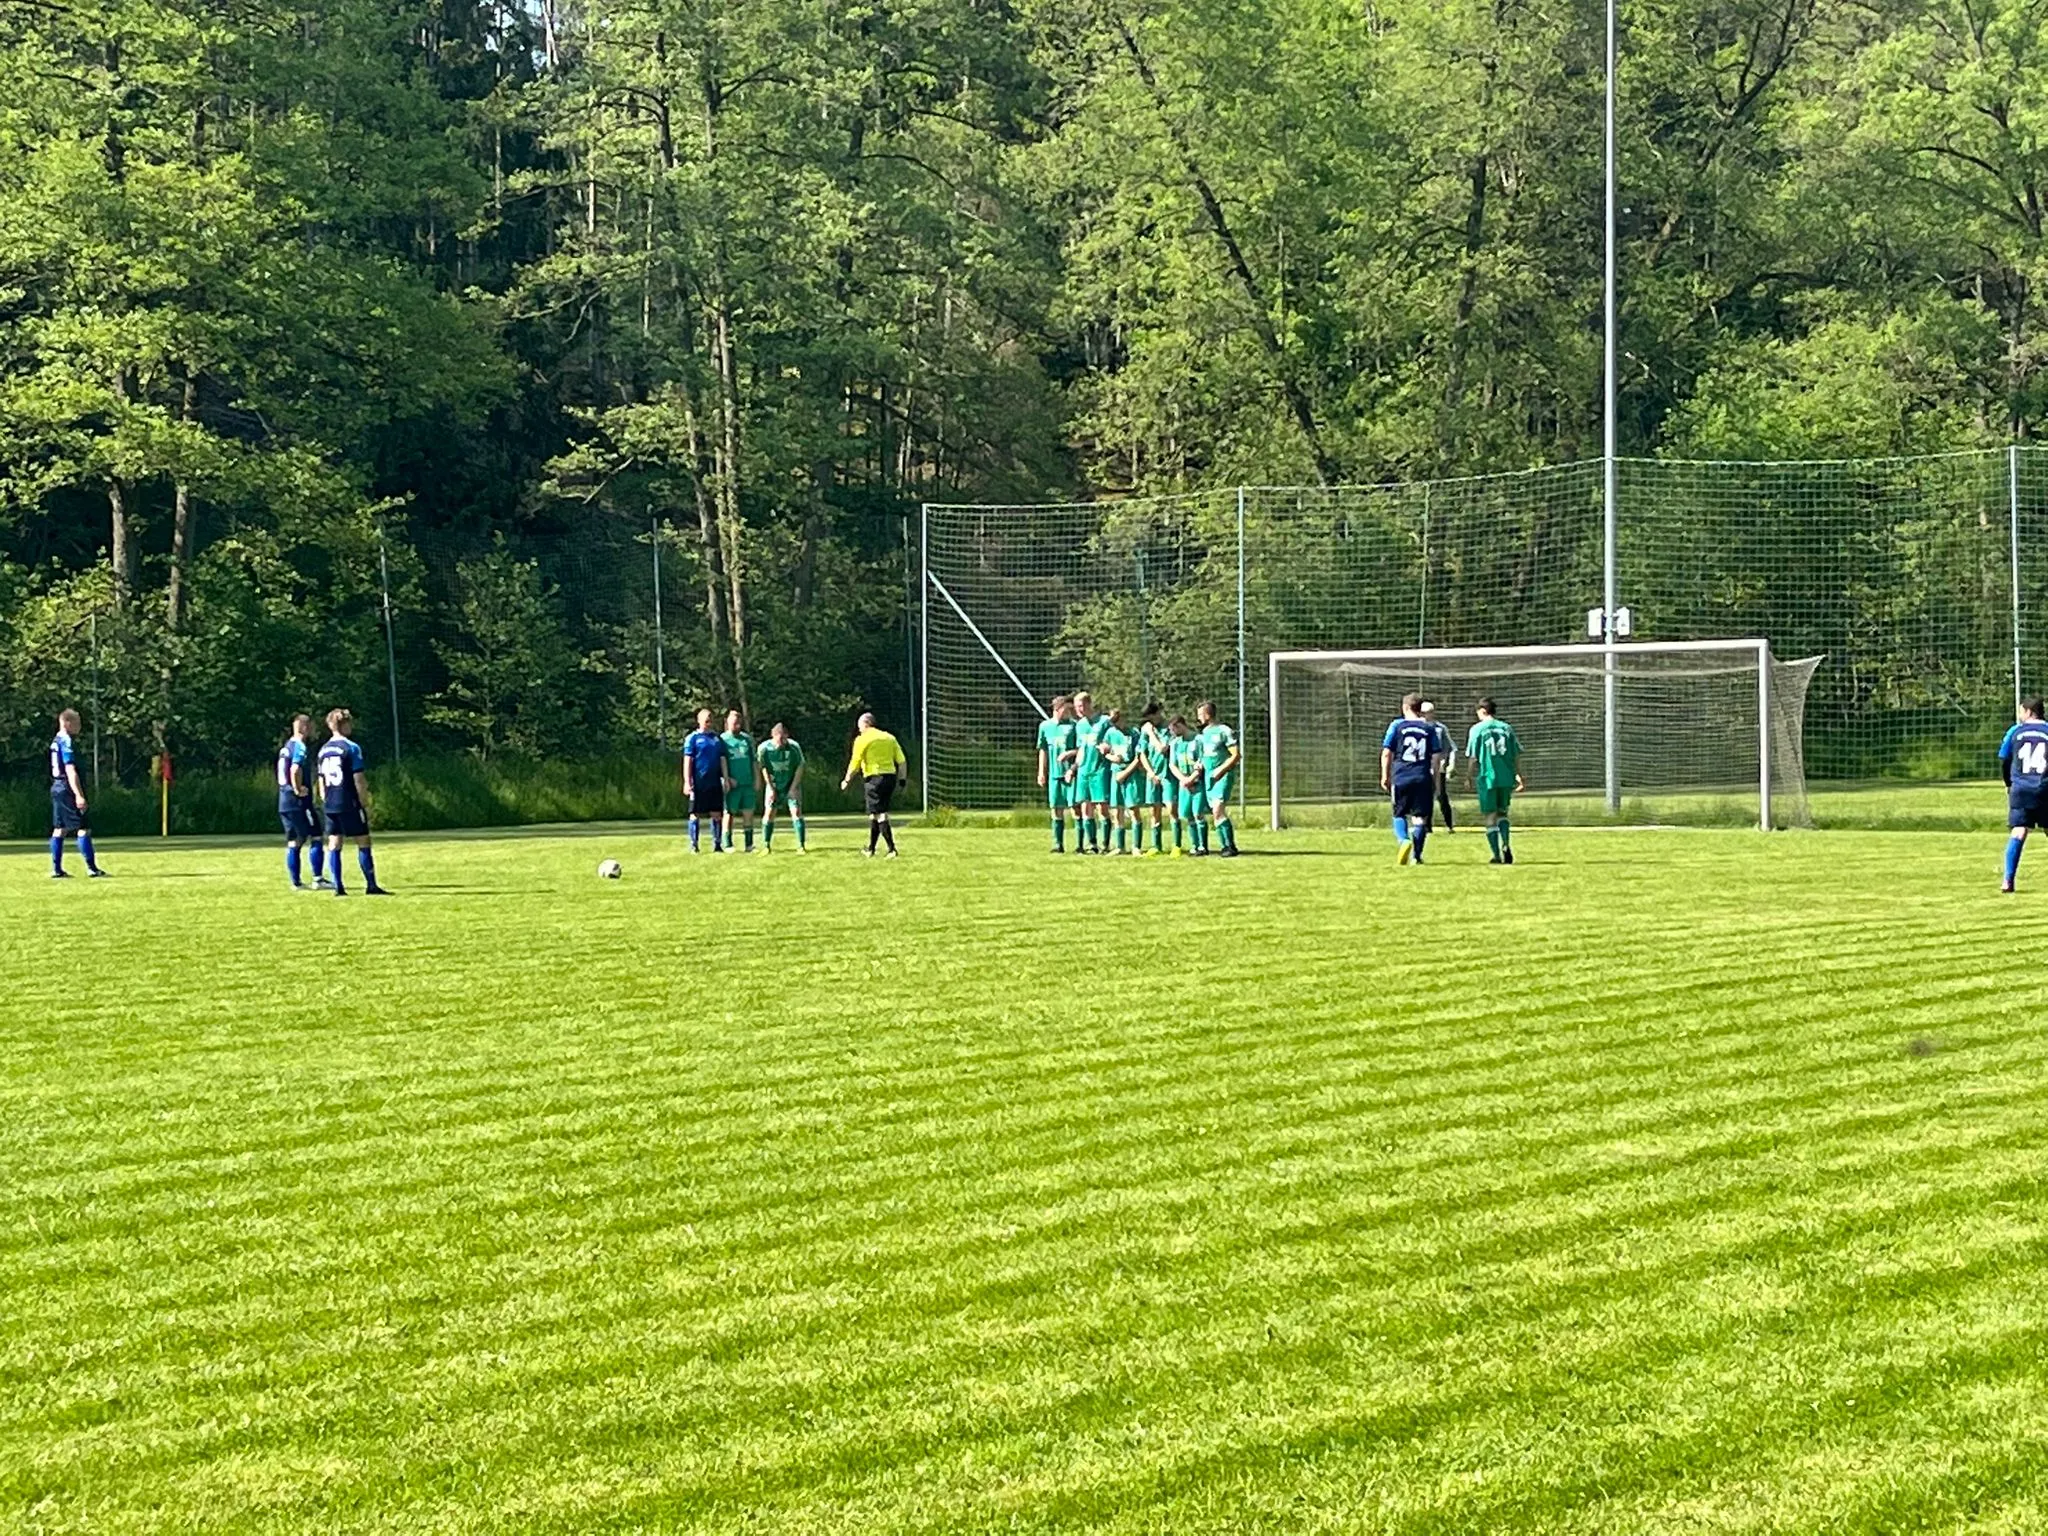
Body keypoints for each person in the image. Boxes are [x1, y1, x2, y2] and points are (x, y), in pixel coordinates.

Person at [317, 708, 389, 896]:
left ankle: (338, 886)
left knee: (334, 843)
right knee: (363, 841)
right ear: (345, 724)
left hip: (331, 802)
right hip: (349, 800)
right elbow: (358, 778)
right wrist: (364, 801)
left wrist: (325, 799)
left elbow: (321, 780)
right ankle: (371, 885)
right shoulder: (351, 748)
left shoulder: (323, 750)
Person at [1381, 692, 1442, 865]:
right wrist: (1436, 780)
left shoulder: (1397, 726)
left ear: (1405, 707)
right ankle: (1416, 856)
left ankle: (1403, 841)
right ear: (1420, 709)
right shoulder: (1429, 728)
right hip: (1422, 776)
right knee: (1420, 819)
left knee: (1399, 813)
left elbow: (1387, 753)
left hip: (1401, 776)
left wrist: (1385, 775)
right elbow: (1436, 758)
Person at [47, 708, 106, 879]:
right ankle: (92, 868)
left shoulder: (55, 741)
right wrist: (79, 794)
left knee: (60, 828)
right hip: (67, 787)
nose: (79, 727)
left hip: (57, 786)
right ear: (67, 723)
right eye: (77, 723)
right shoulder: (66, 741)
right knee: (83, 828)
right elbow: (70, 769)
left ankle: (57, 869)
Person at [1467, 698, 1525, 865]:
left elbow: (1473, 757)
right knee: (1503, 813)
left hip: (1488, 778)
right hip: (1506, 777)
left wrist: (1468, 776)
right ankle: (1506, 844)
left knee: (1490, 816)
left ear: (1482, 711)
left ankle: (1496, 855)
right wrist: (1519, 775)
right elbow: (1515, 754)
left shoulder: (1477, 729)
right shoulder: (1506, 728)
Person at [842, 711, 908, 857]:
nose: (859, 729)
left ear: (865, 724)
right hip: (890, 778)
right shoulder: (889, 738)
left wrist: (847, 780)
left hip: (874, 779)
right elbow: (902, 761)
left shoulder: (862, 739)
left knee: (880, 814)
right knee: (875, 814)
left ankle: (891, 849)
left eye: (859, 726)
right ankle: (871, 849)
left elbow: (855, 762)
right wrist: (902, 780)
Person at [1999, 696, 2048, 892]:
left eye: (2021, 711)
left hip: (2020, 789)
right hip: (2044, 788)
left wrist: (2008, 784)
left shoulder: (2015, 731)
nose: (2020, 715)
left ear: (2028, 712)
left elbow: (2004, 759)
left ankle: (2007, 880)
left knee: (2019, 830)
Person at [276, 713, 328, 889]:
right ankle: (318, 879)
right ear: (304, 727)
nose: (313, 731)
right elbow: (295, 769)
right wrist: (298, 789)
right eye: (311, 727)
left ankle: (296, 882)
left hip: (284, 800)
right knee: (316, 834)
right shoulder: (299, 746)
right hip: (298, 801)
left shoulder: (286, 747)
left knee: (294, 840)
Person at [1195, 700, 1242, 857]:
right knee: (1215, 812)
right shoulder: (1203, 735)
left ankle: (1230, 846)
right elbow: (1204, 755)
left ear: (1208, 714)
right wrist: (1199, 765)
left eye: (1200, 714)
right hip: (1209, 778)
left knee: (1218, 810)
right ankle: (1224, 846)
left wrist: (1221, 770)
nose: (1198, 718)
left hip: (1222, 776)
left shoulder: (1224, 731)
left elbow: (1236, 755)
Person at [682, 708, 731, 853]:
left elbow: (722, 759)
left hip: (714, 782)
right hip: (698, 783)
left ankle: (717, 845)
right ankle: (694, 845)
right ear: (699, 721)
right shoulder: (693, 738)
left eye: (710, 720)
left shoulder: (716, 739)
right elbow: (688, 760)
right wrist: (687, 781)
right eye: (706, 721)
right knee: (695, 813)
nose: (708, 723)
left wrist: (726, 778)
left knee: (717, 814)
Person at [1035, 695, 1080, 853]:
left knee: (1075, 807)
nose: (1069, 712)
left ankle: (1080, 844)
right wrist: (1042, 772)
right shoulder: (1045, 726)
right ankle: (1058, 844)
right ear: (1057, 709)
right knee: (1056, 808)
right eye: (1066, 709)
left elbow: (1081, 749)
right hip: (1055, 774)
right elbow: (1043, 750)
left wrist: (1070, 756)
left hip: (1071, 773)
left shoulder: (1074, 726)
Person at [758, 722, 807, 852]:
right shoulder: (764, 748)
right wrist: (770, 787)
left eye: (784, 739)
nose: (782, 743)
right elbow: (763, 768)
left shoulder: (794, 747)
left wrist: (793, 788)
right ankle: (766, 845)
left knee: (796, 811)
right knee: (769, 812)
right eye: (779, 740)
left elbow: (800, 766)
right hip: (774, 783)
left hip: (790, 782)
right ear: (773, 736)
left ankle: (801, 845)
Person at [1071, 690, 1109, 852]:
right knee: (1085, 807)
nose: (1078, 710)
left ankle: (1105, 844)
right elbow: (1081, 749)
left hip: (1099, 769)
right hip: (1084, 771)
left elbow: (1113, 741)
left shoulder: (1104, 721)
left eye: (1080, 706)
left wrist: (1108, 748)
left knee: (1102, 807)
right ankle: (1092, 844)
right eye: (1076, 707)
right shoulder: (1080, 725)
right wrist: (1074, 768)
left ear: (1089, 704)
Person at [1136, 702, 1173, 855]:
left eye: (1152, 717)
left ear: (1158, 713)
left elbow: (1163, 749)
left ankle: (1176, 845)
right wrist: (1150, 773)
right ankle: (1156, 845)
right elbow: (1142, 754)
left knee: (1172, 809)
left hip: (1168, 774)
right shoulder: (1145, 731)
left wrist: (1152, 734)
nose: (1150, 721)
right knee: (1154, 810)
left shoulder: (1169, 729)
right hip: (1153, 775)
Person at [1102, 707, 1140, 854]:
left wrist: (1125, 773)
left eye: (1117, 721)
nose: (1115, 725)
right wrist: (1112, 758)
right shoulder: (1110, 733)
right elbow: (1105, 751)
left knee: (1133, 808)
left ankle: (1136, 846)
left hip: (1130, 773)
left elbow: (1139, 757)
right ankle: (1120, 846)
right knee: (1117, 810)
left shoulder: (1134, 733)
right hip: (1115, 774)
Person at [720, 710, 759, 853]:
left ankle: (749, 844)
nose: (735, 725)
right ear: (727, 723)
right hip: (732, 784)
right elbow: (720, 761)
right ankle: (727, 844)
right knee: (729, 813)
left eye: (738, 723)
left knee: (748, 813)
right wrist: (726, 778)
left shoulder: (746, 739)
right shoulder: (722, 739)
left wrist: (757, 779)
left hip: (747, 782)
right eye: (733, 722)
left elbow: (754, 761)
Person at [1169, 715, 1207, 855]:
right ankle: (1194, 845)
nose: (1172, 733)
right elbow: (1172, 764)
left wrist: (1192, 778)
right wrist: (1183, 779)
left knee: (1198, 813)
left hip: (1197, 782)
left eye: (1173, 730)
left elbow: (1202, 761)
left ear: (1180, 726)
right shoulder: (1175, 743)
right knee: (1187, 814)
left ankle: (1203, 846)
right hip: (1184, 783)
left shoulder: (1198, 740)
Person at [1420, 700, 1457, 832]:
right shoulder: (1417, 728)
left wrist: (1451, 764)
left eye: (1428, 712)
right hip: (1422, 767)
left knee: (1441, 795)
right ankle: (1426, 827)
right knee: (1425, 797)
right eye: (1423, 713)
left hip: (1438, 767)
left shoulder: (1440, 729)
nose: (1425, 715)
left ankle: (1449, 825)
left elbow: (1452, 748)